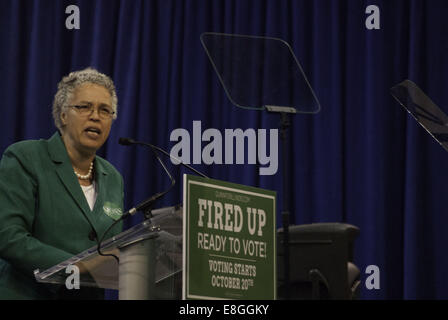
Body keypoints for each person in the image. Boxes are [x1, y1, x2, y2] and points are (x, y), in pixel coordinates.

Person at [0, 68, 124, 299]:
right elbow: (8, 236)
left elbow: (110, 249)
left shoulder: (113, 177)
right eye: (84, 107)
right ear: (63, 115)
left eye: (105, 110)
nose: (95, 116)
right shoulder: (26, 157)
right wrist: (76, 267)